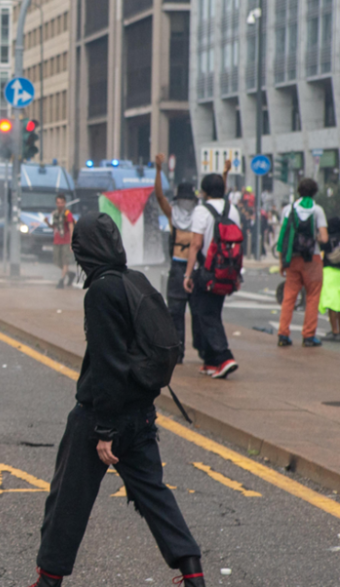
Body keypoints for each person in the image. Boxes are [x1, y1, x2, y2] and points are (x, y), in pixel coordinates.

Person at [28, 213, 206, 587]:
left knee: (67, 501)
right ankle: (192, 573)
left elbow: (108, 365)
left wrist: (105, 429)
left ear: (84, 252)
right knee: (155, 497)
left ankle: (47, 581)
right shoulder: (134, 281)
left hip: (100, 418)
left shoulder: (101, 292)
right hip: (141, 416)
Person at [183, 171, 240, 379]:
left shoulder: (201, 211)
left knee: (205, 314)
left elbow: (196, 243)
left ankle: (224, 356)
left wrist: (187, 274)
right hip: (226, 271)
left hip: (206, 271)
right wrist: (238, 274)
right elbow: (238, 242)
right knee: (211, 312)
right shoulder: (232, 210)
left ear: (204, 191)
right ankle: (210, 361)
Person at [274, 178, 330, 347]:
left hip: (292, 258)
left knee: (289, 296)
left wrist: (282, 262)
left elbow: (283, 237)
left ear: (298, 191)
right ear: (314, 192)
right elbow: (324, 238)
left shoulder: (288, 209)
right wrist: (317, 238)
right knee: (312, 297)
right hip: (311, 259)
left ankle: (283, 334)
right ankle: (308, 336)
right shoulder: (317, 210)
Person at [150, 154, 196, 360]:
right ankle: (179, 352)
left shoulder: (199, 214)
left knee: (193, 314)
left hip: (189, 269)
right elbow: (159, 196)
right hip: (181, 267)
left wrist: (224, 175)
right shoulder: (177, 213)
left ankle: (197, 351)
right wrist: (158, 171)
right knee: (176, 313)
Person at [320, 215, 340, 342]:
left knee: (332, 304)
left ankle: (335, 330)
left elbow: (321, 252)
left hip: (328, 272)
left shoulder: (327, 238)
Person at [50, 194, 75, 289]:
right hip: (57, 240)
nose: (60, 204)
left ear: (64, 203)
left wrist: (71, 242)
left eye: (61, 202)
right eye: (58, 203)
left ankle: (61, 280)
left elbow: (71, 227)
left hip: (66, 241)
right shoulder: (55, 214)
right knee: (57, 262)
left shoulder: (68, 214)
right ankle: (70, 274)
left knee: (65, 262)